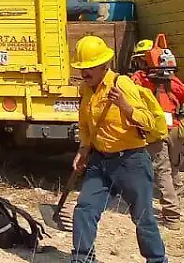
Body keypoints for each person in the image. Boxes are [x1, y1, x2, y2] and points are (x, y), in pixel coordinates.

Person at [70, 35, 167, 263]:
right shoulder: (86, 89)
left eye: (90, 68)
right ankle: (82, 259)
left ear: (104, 65)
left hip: (131, 161)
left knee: (143, 217)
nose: (85, 73)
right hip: (100, 160)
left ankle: (157, 260)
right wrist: (83, 148)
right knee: (84, 208)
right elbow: (84, 122)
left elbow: (148, 121)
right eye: (82, 68)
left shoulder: (121, 84)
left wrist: (125, 106)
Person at [130, 39, 184, 227]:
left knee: (162, 171)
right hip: (176, 130)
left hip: (157, 130)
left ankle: (172, 215)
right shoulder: (175, 82)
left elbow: (131, 93)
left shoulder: (141, 79)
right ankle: (176, 202)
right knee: (173, 168)